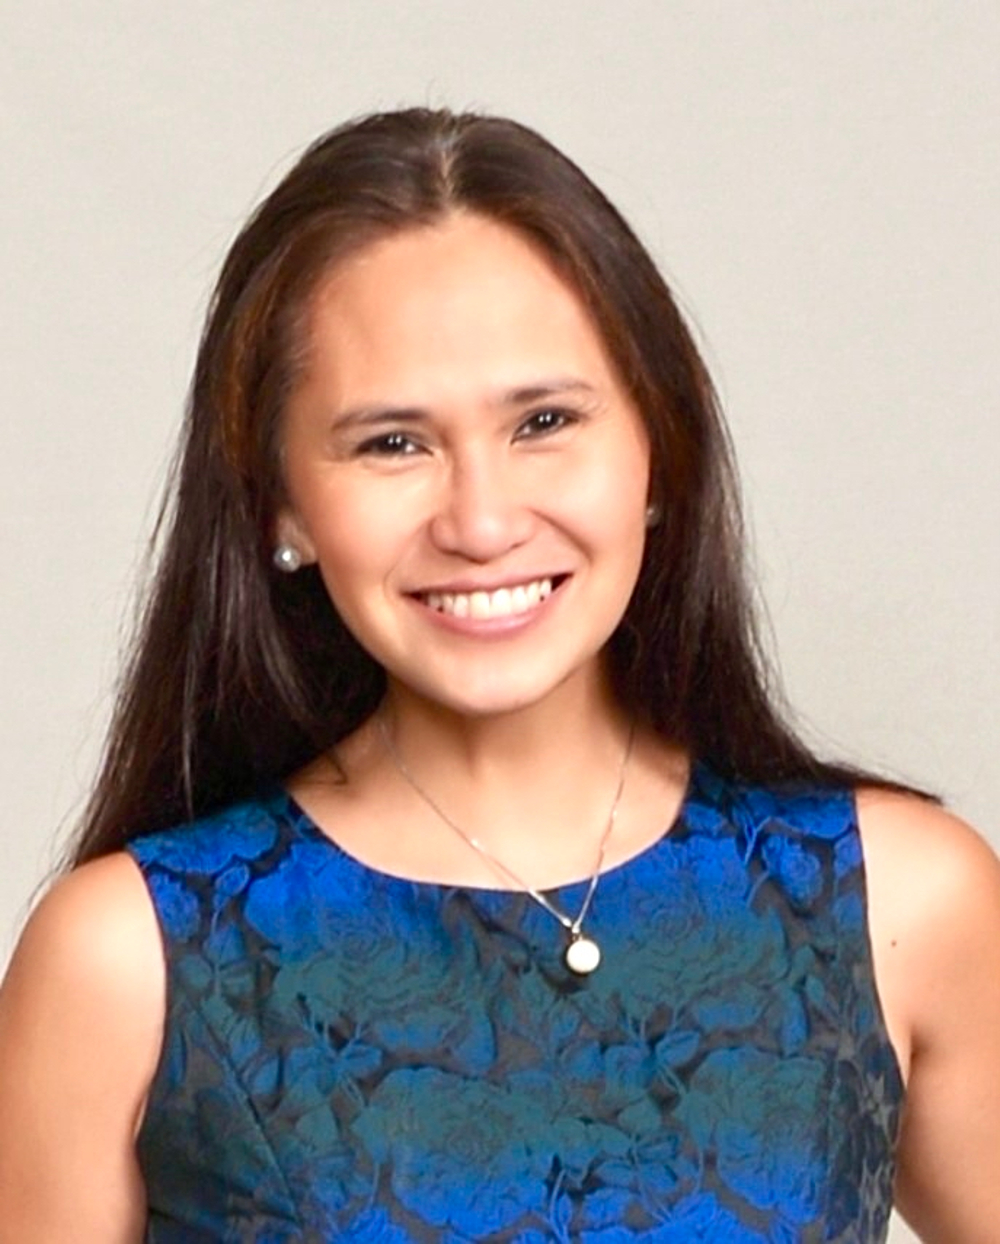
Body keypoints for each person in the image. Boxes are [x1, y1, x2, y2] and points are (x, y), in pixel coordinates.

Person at [0, 107, 997, 1244]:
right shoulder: (126, 960)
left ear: (659, 452)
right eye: (392, 443)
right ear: (280, 504)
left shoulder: (900, 902)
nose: (480, 522)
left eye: (544, 421)